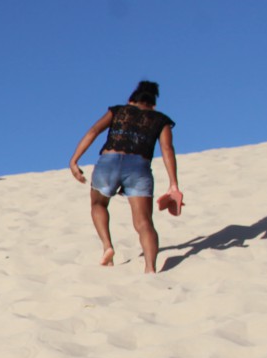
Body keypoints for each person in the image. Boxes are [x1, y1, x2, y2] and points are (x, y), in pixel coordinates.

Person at [67, 80, 183, 273]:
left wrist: (74, 160)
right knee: (144, 222)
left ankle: (107, 246)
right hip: (139, 168)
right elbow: (167, 149)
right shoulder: (161, 120)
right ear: (153, 104)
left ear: (131, 100)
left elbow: (94, 131)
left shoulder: (118, 111)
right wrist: (173, 184)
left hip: (109, 163)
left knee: (98, 204)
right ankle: (150, 268)